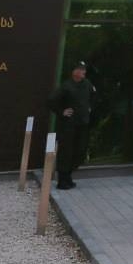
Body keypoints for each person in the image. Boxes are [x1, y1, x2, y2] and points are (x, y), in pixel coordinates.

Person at [47, 61, 95, 191]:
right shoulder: (66, 86)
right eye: (80, 69)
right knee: (66, 152)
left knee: (80, 150)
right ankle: (63, 179)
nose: (83, 71)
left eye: (84, 69)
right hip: (68, 125)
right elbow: (51, 100)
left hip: (82, 123)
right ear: (74, 72)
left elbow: (94, 96)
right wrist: (61, 111)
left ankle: (69, 175)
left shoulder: (87, 84)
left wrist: (89, 108)